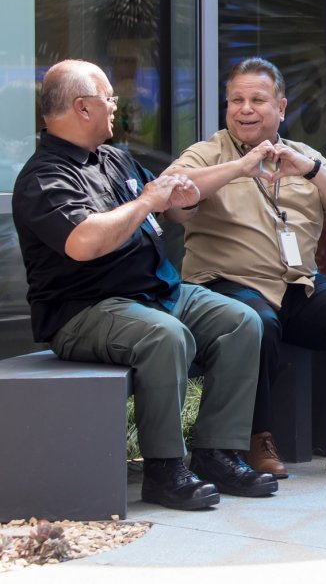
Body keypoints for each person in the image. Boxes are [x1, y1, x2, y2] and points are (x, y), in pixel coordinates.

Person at [13, 59, 277, 511]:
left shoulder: (114, 158)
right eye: (109, 98)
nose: (117, 106)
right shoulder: (44, 177)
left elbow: (167, 196)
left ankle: (215, 452)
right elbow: (83, 242)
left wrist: (184, 198)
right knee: (165, 336)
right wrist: (147, 202)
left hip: (156, 294)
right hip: (87, 311)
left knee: (241, 321)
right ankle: (165, 469)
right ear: (82, 107)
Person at [167, 57, 326, 479]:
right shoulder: (208, 153)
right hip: (224, 287)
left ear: (281, 106)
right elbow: (171, 196)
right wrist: (238, 168)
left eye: (257, 99)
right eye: (235, 99)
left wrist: (310, 169)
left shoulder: (303, 156)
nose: (245, 109)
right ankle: (256, 437)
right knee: (257, 320)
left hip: (297, 285)